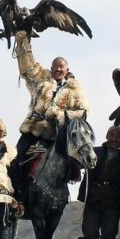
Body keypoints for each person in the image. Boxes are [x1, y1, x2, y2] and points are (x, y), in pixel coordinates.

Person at [11, 30, 89, 195]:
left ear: (67, 69)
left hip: (58, 133)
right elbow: (28, 67)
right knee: (16, 158)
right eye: (55, 66)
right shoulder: (41, 80)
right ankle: (17, 195)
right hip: (35, 128)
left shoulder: (75, 89)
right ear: (51, 68)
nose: (58, 69)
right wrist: (23, 42)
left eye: (61, 66)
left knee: (77, 158)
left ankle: (63, 194)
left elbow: (82, 112)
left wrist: (61, 116)